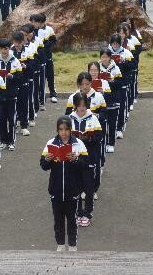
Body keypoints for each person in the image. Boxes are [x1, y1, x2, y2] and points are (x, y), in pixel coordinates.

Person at [40, 115, 88, 252]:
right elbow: (43, 166)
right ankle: (60, 244)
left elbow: (85, 165)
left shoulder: (78, 144)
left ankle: (73, 245)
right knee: (58, 220)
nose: (64, 132)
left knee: (72, 221)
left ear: (70, 130)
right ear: (57, 130)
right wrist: (48, 159)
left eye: (66, 129)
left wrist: (75, 159)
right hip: (55, 190)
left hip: (72, 190)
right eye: (61, 129)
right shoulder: (51, 143)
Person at [69, 93, 102, 227]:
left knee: (89, 188)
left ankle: (87, 213)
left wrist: (88, 138)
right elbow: (63, 136)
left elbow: (99, 136)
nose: (81, 109)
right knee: (76, 187)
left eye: (84, 106)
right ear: (75, 106)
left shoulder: (93, 118)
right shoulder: (70, 118)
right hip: (75, 158)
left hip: (89, 157)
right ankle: (78, 212)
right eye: (79, 106)